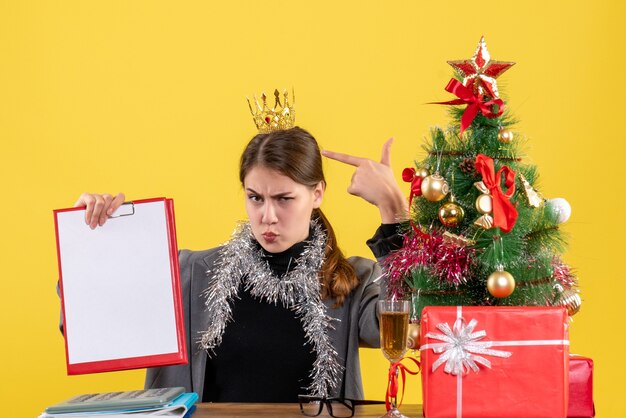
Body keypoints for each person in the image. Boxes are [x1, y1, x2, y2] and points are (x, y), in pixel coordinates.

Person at [72, 126, 406, 402]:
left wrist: (394, 215)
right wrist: (92, 235)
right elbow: (96, 316)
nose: (267, 217)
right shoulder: (193, 274)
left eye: (284, 199)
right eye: (255, 198)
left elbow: (412, 328)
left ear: (317, 193)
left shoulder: (352, 279)